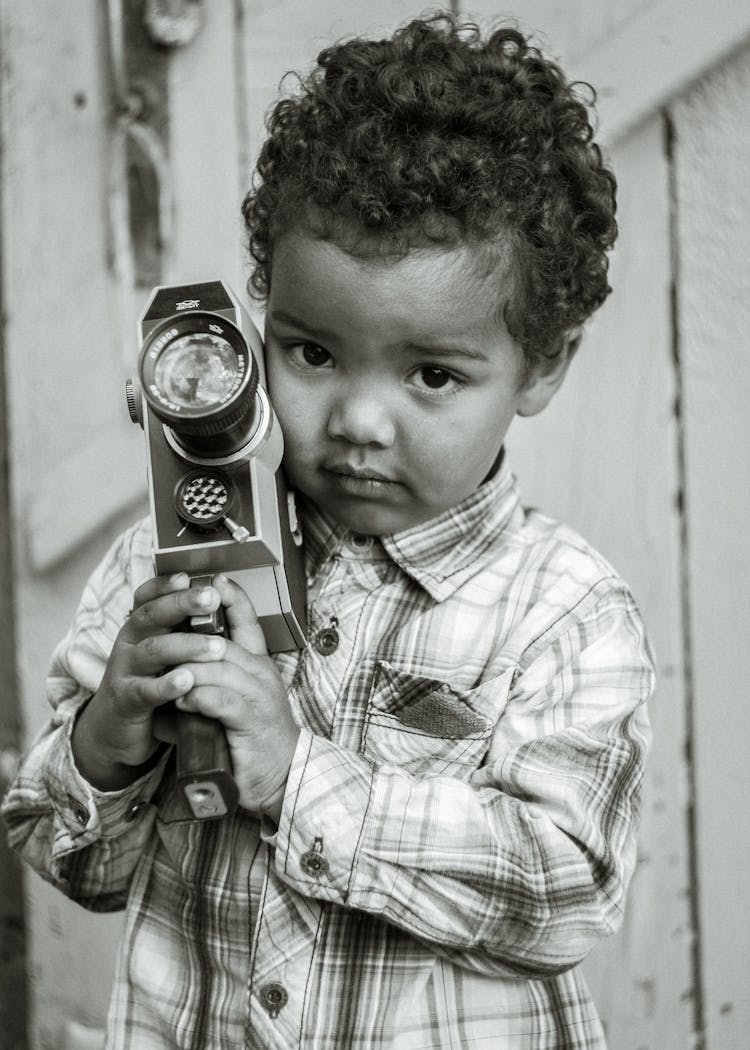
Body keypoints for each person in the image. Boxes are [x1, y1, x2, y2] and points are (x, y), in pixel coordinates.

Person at [3, 14, 654, 1050]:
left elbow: (562, 889)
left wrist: (300, 775)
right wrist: (111, 735)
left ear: (542, 365)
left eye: (431, 374)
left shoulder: (563, 611)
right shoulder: (162, 564)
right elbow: (73, 862)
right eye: (310, 354)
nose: (356, 420)